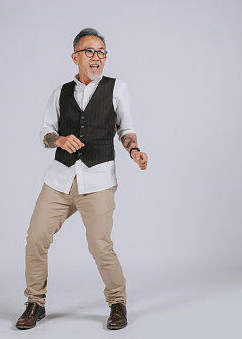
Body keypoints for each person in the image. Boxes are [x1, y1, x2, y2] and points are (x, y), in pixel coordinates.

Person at [15, 28, 148, 331]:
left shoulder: (117, 89)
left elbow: (126, 129)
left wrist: (135, 151)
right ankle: (35, 302)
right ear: (75, 56)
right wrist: (58, 140)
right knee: (36, 238)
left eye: (101, 52)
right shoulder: (60, 93)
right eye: (90, 51)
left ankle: (117, 303)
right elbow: (45, 132)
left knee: (100, 245)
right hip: (60, 178)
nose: (97, 57)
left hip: (98, 179)